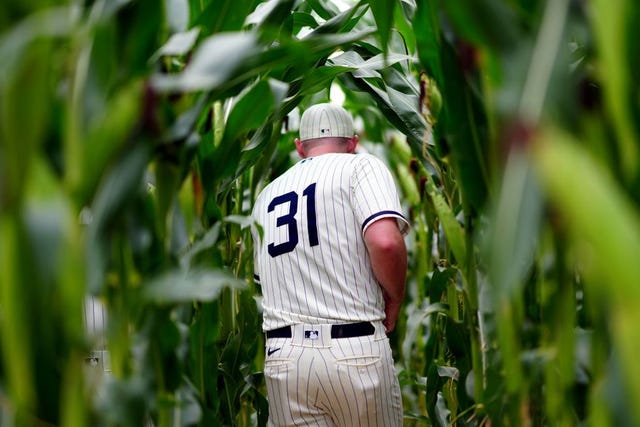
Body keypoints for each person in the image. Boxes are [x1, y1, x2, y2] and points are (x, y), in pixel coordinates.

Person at [251, 102, 409, 426]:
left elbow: (261, 279)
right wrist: (394, 298)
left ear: (299, 148)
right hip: (355, 351)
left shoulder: (265, 196)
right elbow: (385, 241)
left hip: (285, 361)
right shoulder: (360, 167)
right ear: (352, 142)